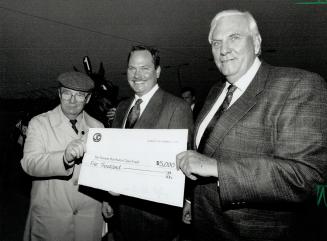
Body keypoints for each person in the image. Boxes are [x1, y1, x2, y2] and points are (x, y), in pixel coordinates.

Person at [176, 9, 327, 241]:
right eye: (216, 43)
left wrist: (217, 169)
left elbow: (306, 177)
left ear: (256, 43)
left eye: (234, 38)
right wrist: (191, 200)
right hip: (204, 225)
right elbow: (203, 152)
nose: (223, 49)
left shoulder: (298, 85)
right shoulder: (216, 91)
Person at [104, 45, 194, 241]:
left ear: (158, 71)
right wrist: (107, 196)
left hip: (156, 218)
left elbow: (185, 164)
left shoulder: (177, 107)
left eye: (145, 68)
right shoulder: (122, 108)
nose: (137, 75)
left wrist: (188, 200)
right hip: (121, 215)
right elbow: (113, 155)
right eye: (132, 68)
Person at [21, 71, 109, 241]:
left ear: (88, 99)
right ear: (59, 94)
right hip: (52, 217)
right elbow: (29, 163)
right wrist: (64, 158)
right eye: (67, 93)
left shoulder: (98, 127)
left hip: (90, 216)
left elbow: (102, 169)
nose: (72, 100)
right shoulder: (39, 123)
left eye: (79, 95)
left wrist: (106, 199)